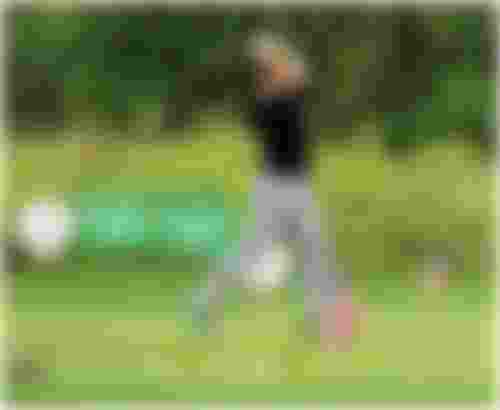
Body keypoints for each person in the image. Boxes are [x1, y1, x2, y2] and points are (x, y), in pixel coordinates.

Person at [193, 32, 354, 350]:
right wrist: (275, 56)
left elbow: (299, 73)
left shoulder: (283, 94)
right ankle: (205, 303)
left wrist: (275, 54)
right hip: (275, 189)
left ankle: (319, 320)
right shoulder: (266, 104)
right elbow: (297, 74)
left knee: (315, 252)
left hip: (298, 186)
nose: (285, 72)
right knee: (250, 252)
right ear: (269, 76)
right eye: (276, 70)